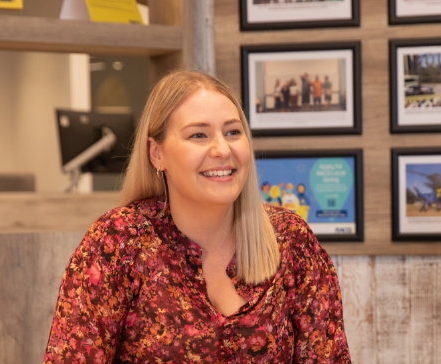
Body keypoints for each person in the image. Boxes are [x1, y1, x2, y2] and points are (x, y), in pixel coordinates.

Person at [44, 71, 351, 362]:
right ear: (157, 154)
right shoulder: (118, 241)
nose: (222, 149)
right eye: (199, 135)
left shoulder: (290, 239)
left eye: (233, 132)